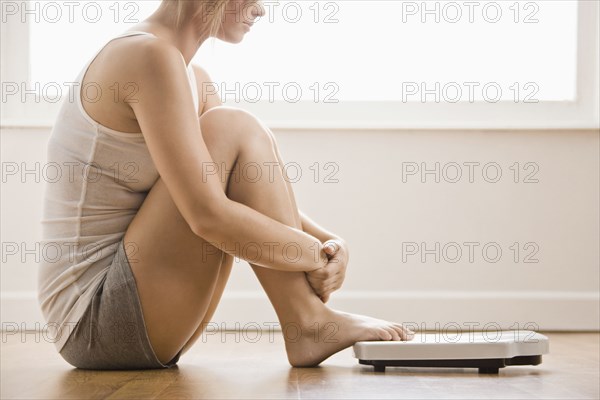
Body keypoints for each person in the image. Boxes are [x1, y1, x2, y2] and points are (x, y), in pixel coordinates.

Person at [38, 0, 414, 370]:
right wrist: (311, 254)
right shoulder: (146, 56)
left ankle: (308, 321)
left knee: (231, 128)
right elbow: (208, 216)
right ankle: (308, 320)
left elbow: (241, 190)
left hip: (133, 313)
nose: (261, 9)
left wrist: (330, 242)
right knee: (232, 126)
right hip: (94, 322)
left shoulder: (190, 76)